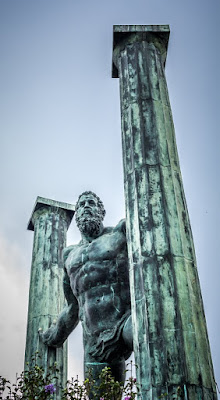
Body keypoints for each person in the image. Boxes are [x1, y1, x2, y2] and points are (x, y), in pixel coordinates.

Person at [41, 191, 133, 383]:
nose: (86, 207)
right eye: (81, 205)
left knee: (150, 337)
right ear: (76, 215)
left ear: (102, 211)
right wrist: (55, 335)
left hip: (126, 323)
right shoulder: (69, 256)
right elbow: (73, 307)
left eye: (91, 203)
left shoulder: (119, 234)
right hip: (94, 339)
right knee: (100, 396)